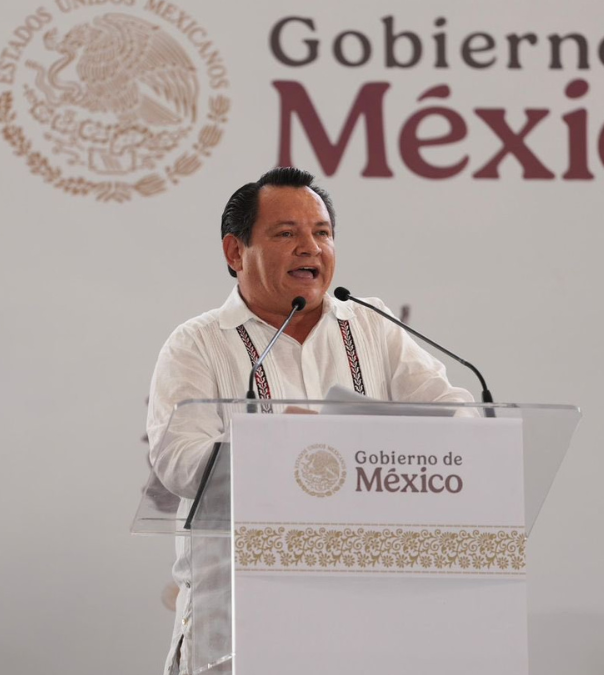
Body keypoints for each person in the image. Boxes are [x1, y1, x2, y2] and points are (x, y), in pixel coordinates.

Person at [146, 167, 475, 675]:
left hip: (368, 615)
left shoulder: (370, 324)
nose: (311, 247)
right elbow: (178, 461)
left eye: (322, 233)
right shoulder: (198, 344)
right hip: (240, 623)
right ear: (236, 252)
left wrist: (378, 442)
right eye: (287, 234)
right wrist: (271, 444)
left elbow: (455, 414)